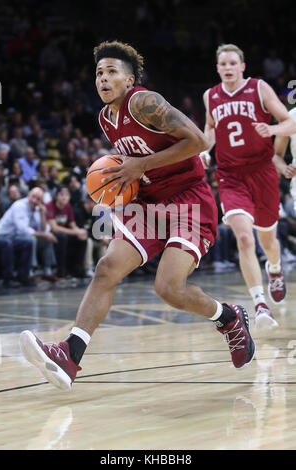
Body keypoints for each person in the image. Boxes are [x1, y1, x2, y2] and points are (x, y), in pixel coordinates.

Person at [20, 40, 255, 391]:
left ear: (130, 80)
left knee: (167, 287)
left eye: (112, 72)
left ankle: (229, 318)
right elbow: (130, 163)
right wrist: (120, 183)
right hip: (147, 202)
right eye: (99, 72)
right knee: (106, 268)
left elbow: (198, 142)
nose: (103, 78)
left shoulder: (145, 102)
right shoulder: (104, 117)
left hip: (187, 199)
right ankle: (70, 355)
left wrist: (141, 165)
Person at [201, 44, 296, 329]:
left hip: (263, 171)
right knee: (244, 238)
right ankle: (260, 305)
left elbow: (290, 122)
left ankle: (275, 269)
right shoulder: (211, 96)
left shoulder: (258, 88)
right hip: (230, 175)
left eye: (233, 63)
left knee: (268, 240)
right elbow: (209, 129)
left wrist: (273, 130)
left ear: (242, 66)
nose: (228, 68)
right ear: (218, 68)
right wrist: (206, 151)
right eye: (223, 64)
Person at [0, 187, 58, 282]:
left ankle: (48, 271)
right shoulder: (19, 205)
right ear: (28, 195)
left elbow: (44, 229)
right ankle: (30, 272)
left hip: (17, 236)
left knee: (47, 238)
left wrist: (42, 214)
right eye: (33, 196)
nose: (34, 200)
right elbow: (23, 230)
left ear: (41, 201)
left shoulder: (38, 208)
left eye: (38, 199)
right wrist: (44, 234)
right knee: (31, 239)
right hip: (5, 235)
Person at [45, 185, 88, 278]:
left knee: (82, 239)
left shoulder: (68, 206)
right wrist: (75, 232)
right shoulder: (49, 206)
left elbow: (73, 225)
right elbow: (54, 228)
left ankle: (78, 269)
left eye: (67, 194)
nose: (65, 197)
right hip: (50, 234)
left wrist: (80, 231)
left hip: (65, 233)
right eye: (62, 194)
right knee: (62, 237)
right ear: (56, 196)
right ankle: (61, 270)